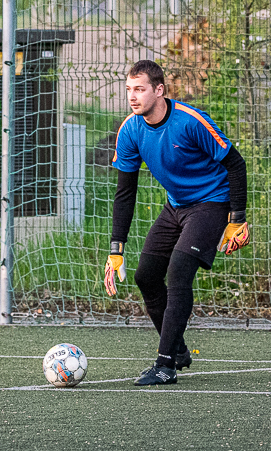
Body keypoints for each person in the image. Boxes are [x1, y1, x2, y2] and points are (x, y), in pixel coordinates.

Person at [104, 60, 250, 386]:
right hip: (176, 207)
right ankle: (179, 350)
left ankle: (165, 364)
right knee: (146, 277)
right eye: (128, 89)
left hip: (212, 203)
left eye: (140, 89)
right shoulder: (130, 130)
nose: (132, 96)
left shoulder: (190, 121)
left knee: (179, 271)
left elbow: (235, 164)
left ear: (159, 90)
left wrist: (237, 219)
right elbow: (125, 193)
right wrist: (116, 249)